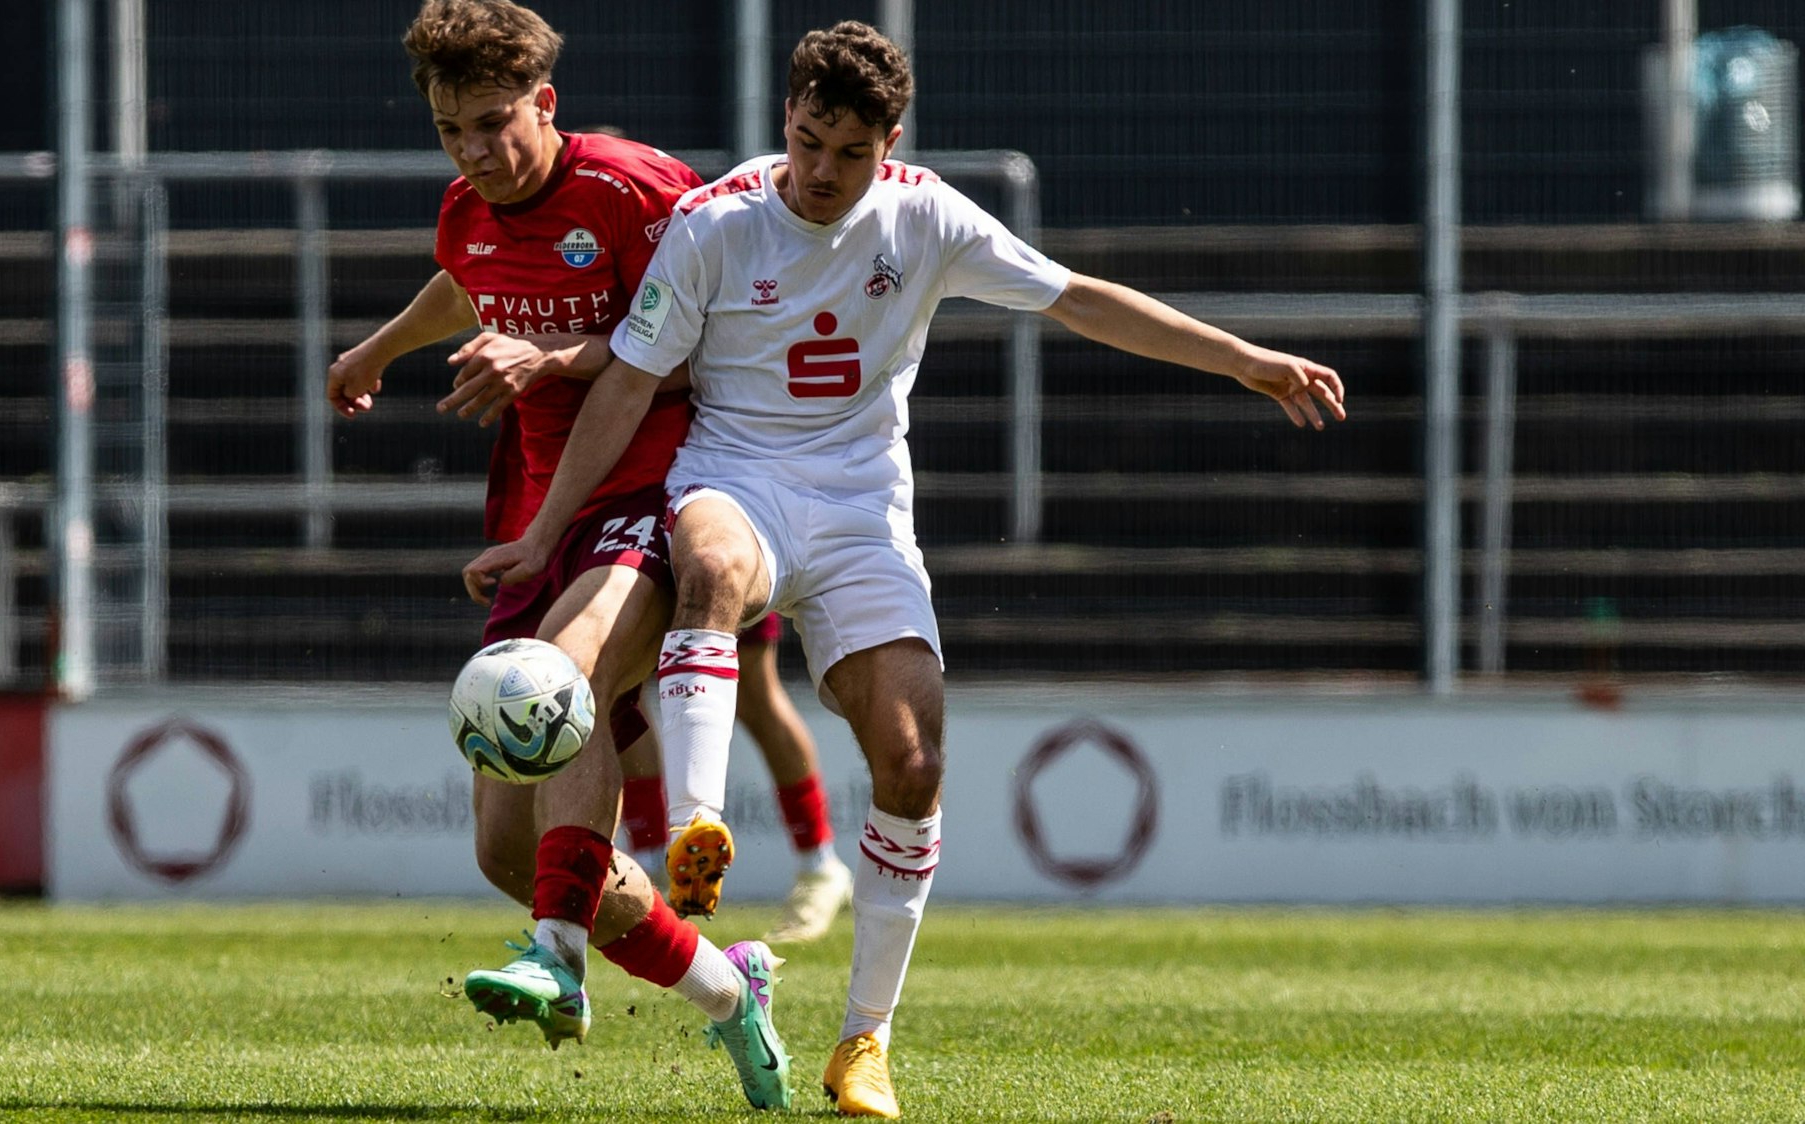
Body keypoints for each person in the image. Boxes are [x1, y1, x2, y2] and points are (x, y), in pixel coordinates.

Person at [464, 20, 1345, 1118]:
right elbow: (628, 385)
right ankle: (697, 824)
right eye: (804, 141)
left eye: (846, 151)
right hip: (734, 474)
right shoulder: (715, 221)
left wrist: (1244, 359)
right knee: (710, 566)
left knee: (915, 759)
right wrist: (544, 534)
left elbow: (1074, 297)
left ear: (891, 140)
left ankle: (861, 1041)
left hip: (860, 511)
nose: (820, 172)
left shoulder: (925, 214)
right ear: (783, 120)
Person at [326, 0, 790, 1109]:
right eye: (451, 133)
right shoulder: (464, 208)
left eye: (494, 125)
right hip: (550, 509)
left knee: (554, 681)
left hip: (658, 491)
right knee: (505, 842)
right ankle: (729, 993)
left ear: (546, 102)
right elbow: (469, 273)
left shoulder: (637, 189)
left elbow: (709, 343)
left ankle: (557, 956)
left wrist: (545, 355)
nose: (476, 154)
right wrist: (379, 346)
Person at [619, 613, 855, 945]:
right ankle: (650, 870)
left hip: (716, 564)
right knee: (621, 689)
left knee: (754, 693)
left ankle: (820, 867)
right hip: (633, 564)